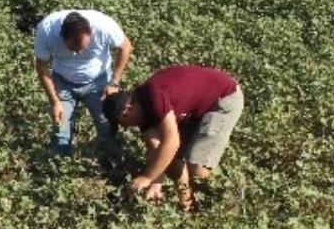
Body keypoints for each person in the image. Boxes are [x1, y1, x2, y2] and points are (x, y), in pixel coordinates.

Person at [103, 65, 243, 209]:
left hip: (223, 98)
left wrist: (147, 177)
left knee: (197, 169)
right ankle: (187, 206)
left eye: (124, 123)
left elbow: (172, 142)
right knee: (170, 160)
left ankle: (227, 204)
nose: (128, 127)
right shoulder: (141, 115)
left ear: (127, 111)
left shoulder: (153, 95)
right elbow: (156, 149)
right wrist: (156, 184)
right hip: (194, 110)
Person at [33, 10, 132, 157]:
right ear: (62, 37)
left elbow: (126, 46)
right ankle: (60, 169)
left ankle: (111, 167)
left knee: (107, 126)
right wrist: (54, 101)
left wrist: (114, 82)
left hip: (99, 81)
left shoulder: (103, 26)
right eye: (73, 49)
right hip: (62, 81)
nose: (77, 54)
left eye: (82, 48)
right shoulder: (47, 30)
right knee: (61, 130)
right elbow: (42, 67)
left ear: (90, 34)